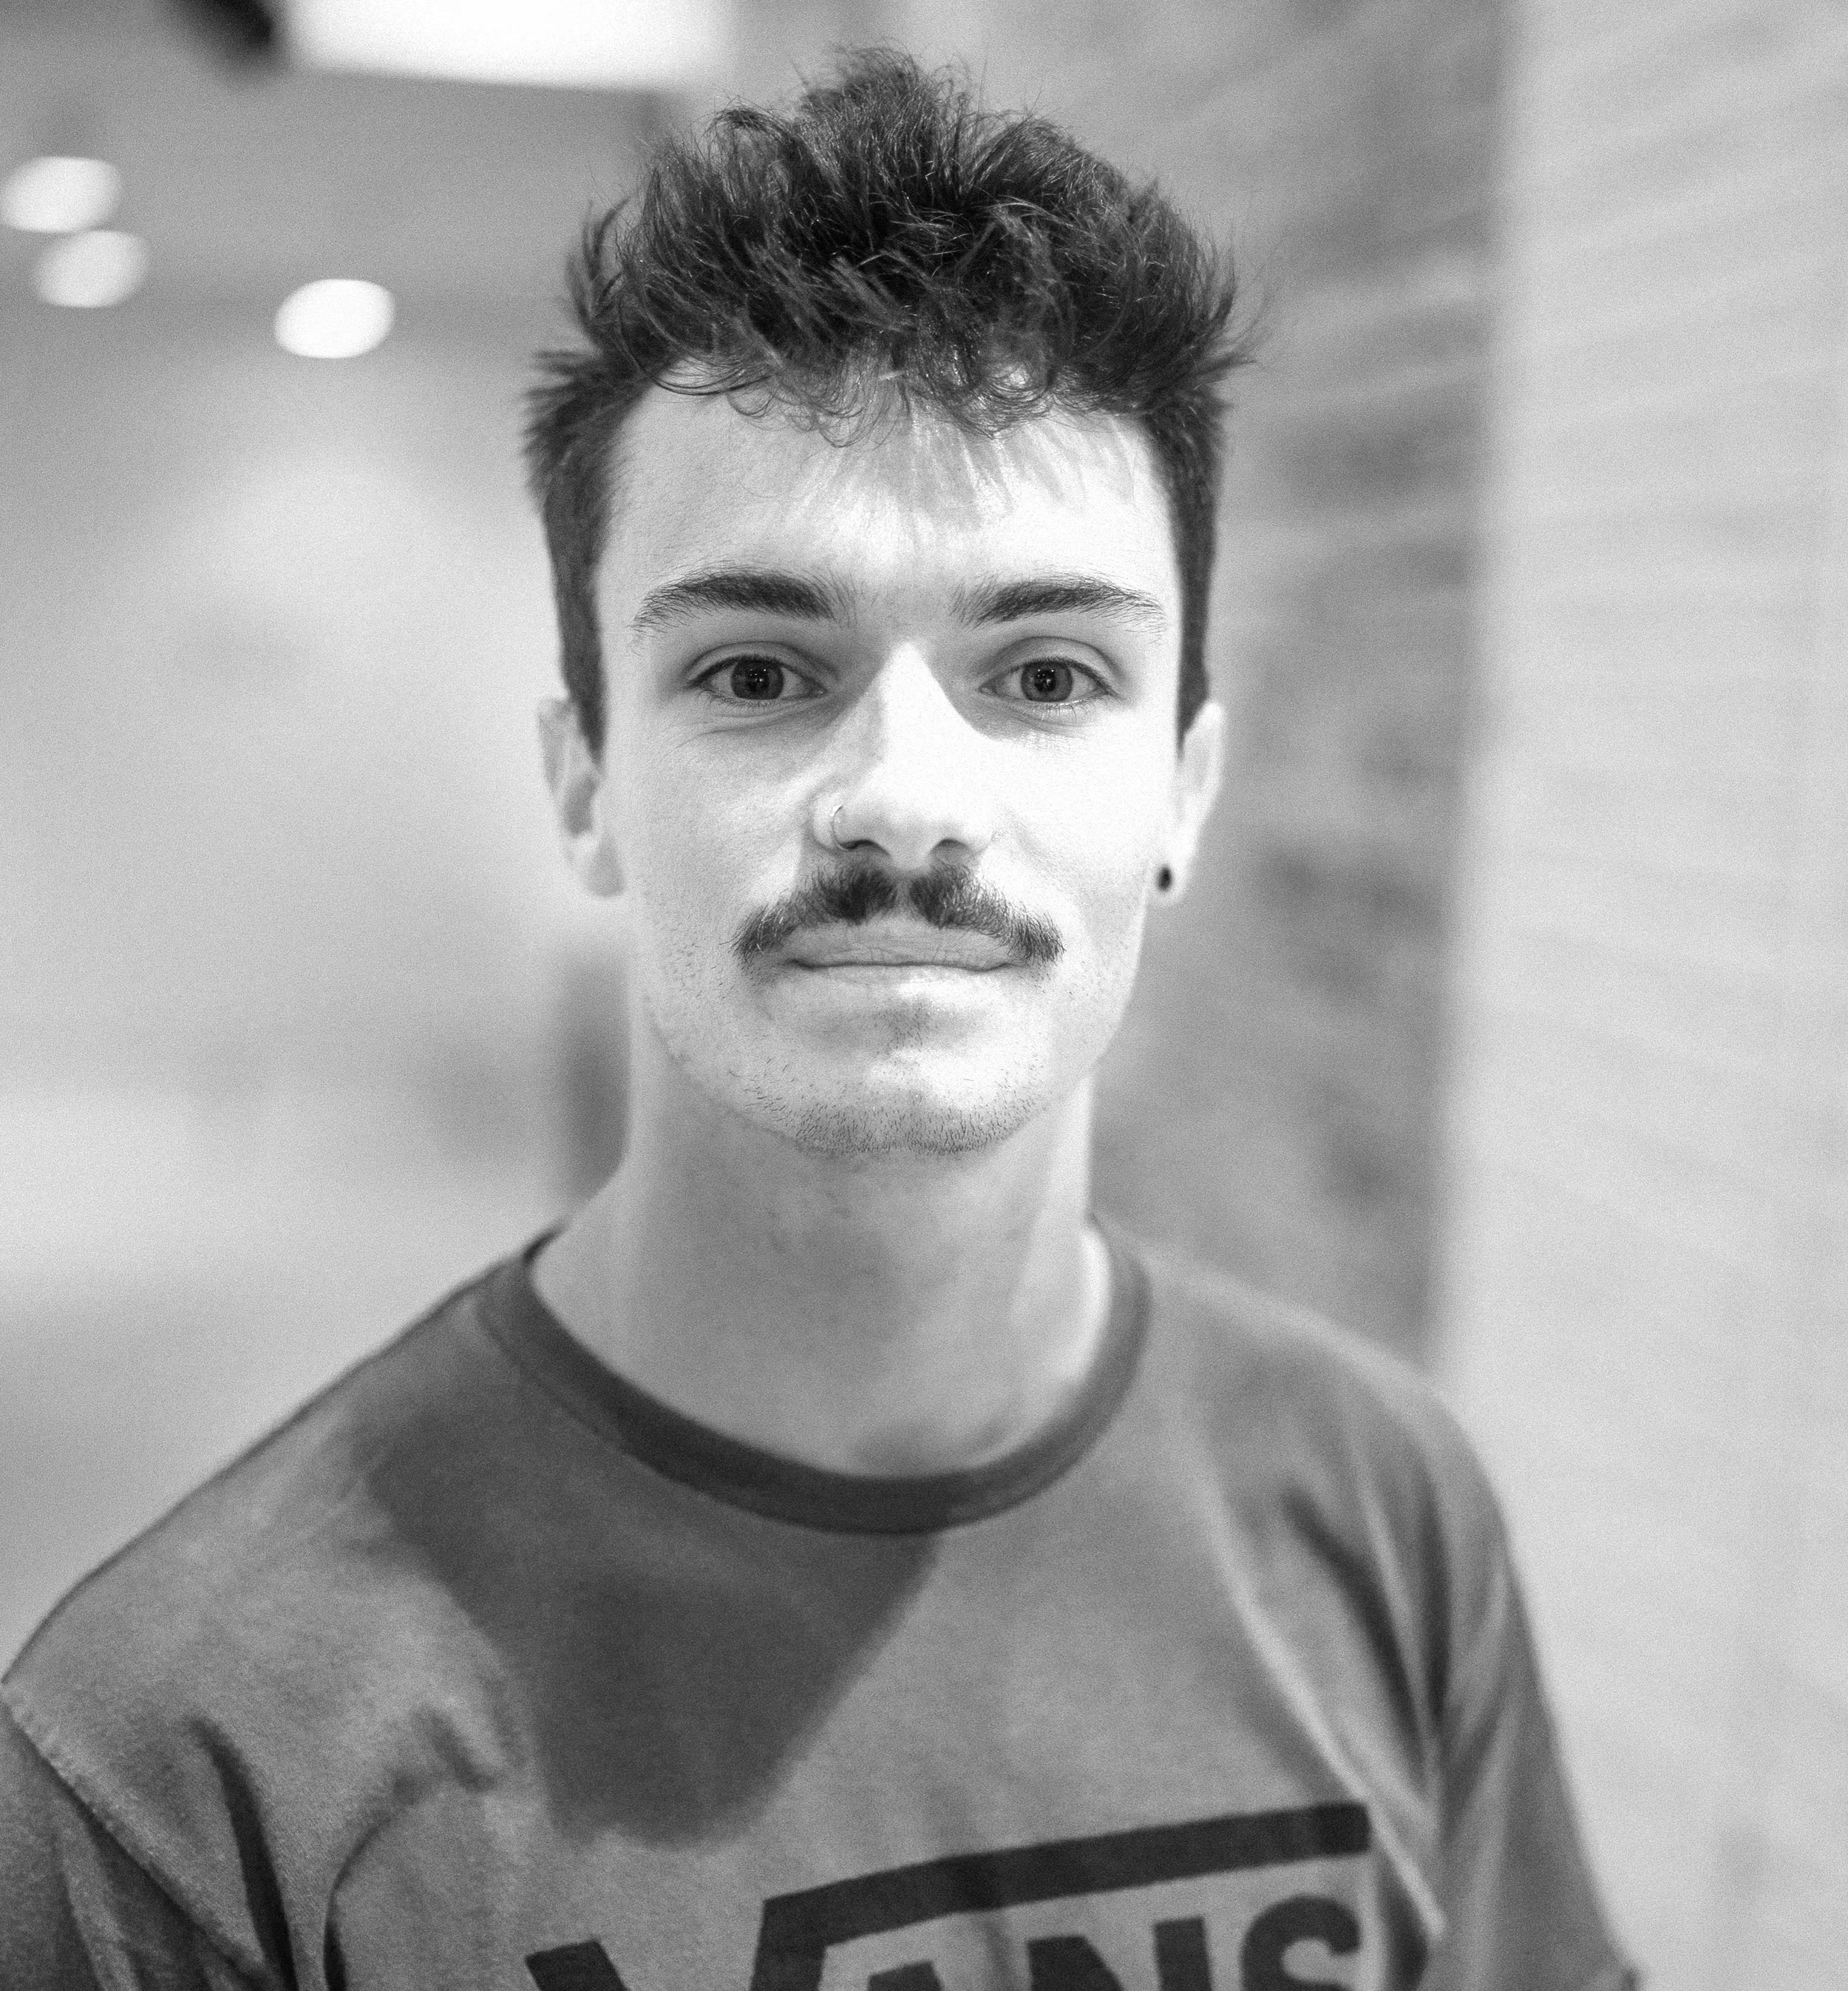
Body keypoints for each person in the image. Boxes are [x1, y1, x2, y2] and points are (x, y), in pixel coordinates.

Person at [0, 52, 1634, 1991]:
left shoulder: (1380, 1509)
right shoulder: (183, 1759)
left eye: (1043, 671)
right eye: (763, 670)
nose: (905, 796)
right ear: (587, 777)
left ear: (1181, 788)